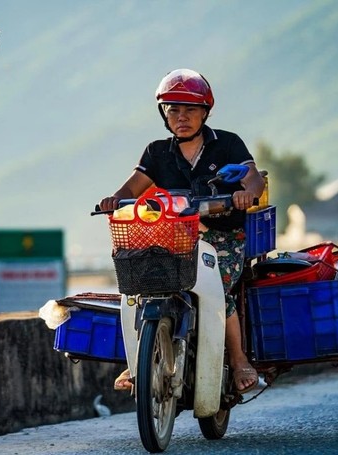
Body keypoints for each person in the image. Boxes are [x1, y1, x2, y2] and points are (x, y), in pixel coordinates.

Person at [99, 68, 265, 395]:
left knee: (217, 291)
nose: (182, 117)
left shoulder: (227, 144)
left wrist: (249, 192)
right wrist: (114, 200)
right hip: (174, 239)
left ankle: (240, 359)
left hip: (223, 238)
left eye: (190, 109)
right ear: (164, 114)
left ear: (205, 112)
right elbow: (131, 188)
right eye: (173, 110)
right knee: (140, 286)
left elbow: (253, 176)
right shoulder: (157, 152)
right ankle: (140, 361)